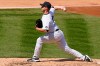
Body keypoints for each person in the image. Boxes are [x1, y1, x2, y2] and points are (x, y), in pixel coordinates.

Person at [27, 1, 92, 62]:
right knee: (66, 49)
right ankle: (84, 57)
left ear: (46, 8)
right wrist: (61, 7)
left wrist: (37, 28)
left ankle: (35, 58)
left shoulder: (46, 18)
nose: (41, 7)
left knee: (39, 40)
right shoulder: (50, 11)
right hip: (59, 33)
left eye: (42, 6)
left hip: (54, 35)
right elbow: (53, 7)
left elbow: (46, 30)